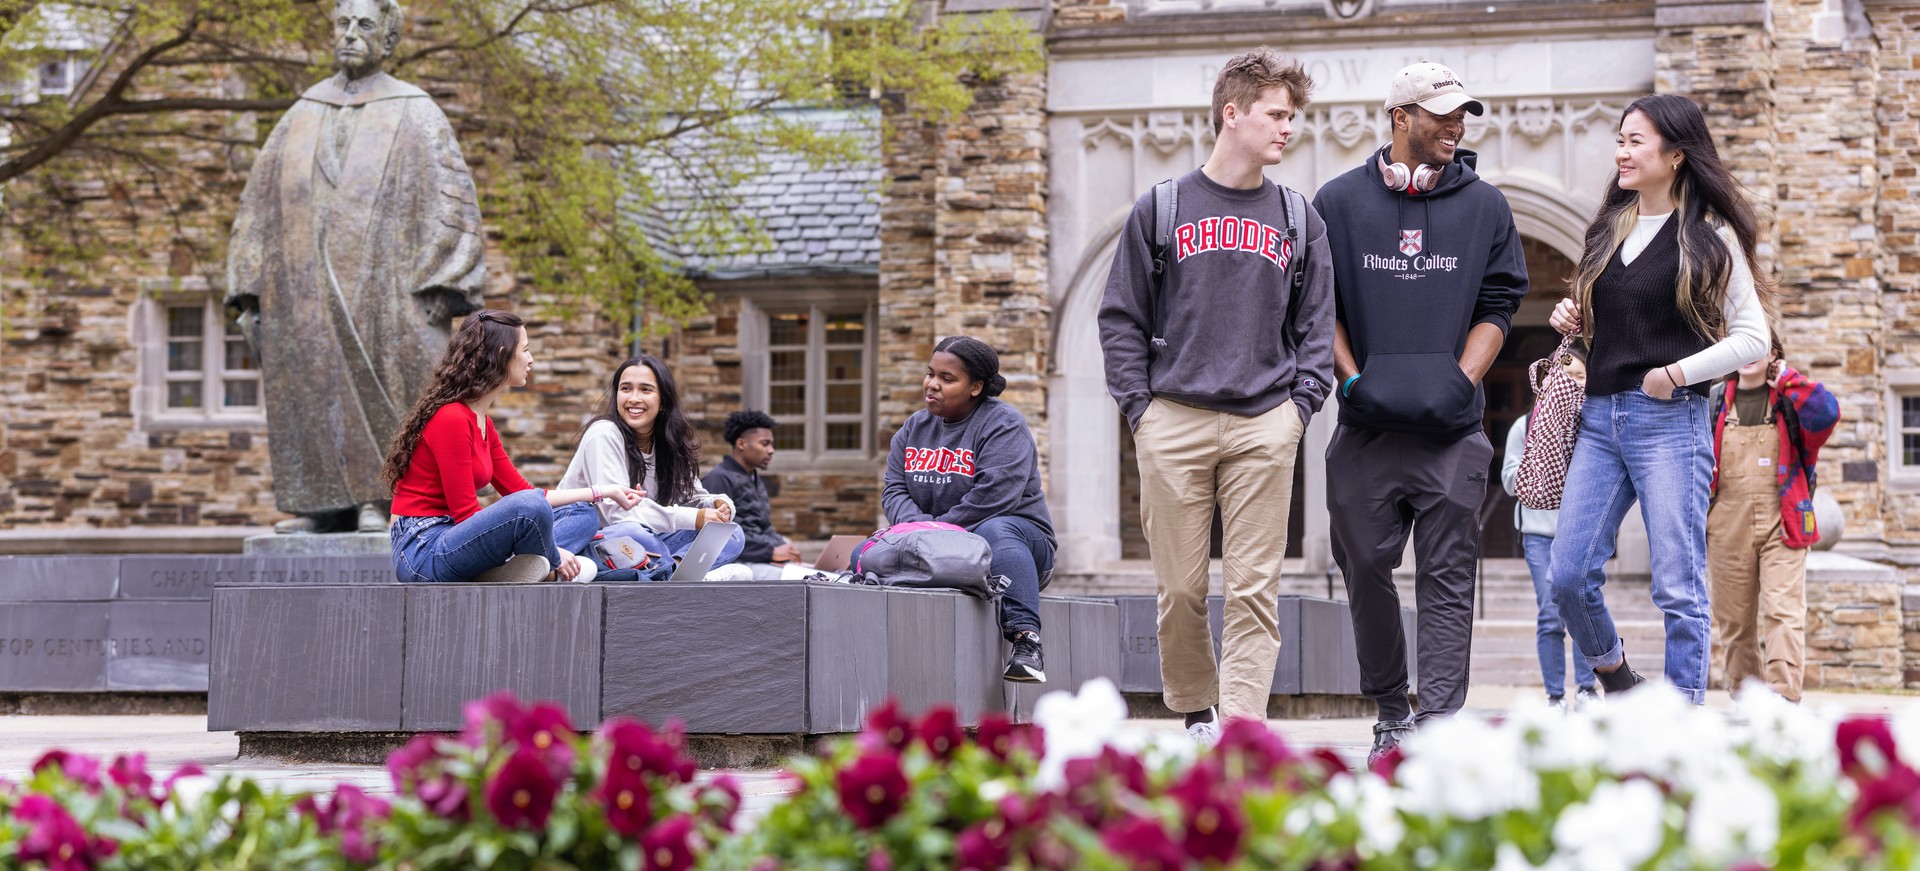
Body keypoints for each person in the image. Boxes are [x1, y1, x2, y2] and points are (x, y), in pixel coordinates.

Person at [1097, 49, 1335, 739]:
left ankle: (1240, 726)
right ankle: (1194, 705)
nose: (1288, 128)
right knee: (1180, 589)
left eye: (1293, 117)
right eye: (1277, 115)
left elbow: (1317, 323)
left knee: (1256, 590)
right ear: (1232, 113)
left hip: (1266, 421)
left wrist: (1300, 407)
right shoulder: (1164, 207)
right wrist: (1140, 409)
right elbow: (1121, 315)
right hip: (1174, 417)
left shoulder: (1298, 217)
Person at [1311, 62, 1527, 761]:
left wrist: (1462, 380)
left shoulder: (1486, 206)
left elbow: (1499, 305)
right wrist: (1350, 383)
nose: (1457, 126)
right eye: (1442, 114)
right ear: (1401, 118)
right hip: (1365, 432)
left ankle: (1438, 720)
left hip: (1451, 436)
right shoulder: (1336, 203)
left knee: (1447, 575)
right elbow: (1321, 310)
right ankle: (1390, 706)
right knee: (1365, 567)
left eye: (1464, 114)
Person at [228, 0, 487, 535]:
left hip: (387, 288)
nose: (349, 34)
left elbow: (452, 196)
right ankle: (322, 503)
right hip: (302, 287)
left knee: (399, 387)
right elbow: (256, 207)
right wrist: (249, 290)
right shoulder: (300, 113)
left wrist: (446, 279)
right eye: (342, 24)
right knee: (311, 384)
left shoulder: (415, 111)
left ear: (389, 41)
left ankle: (385, 498)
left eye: (364, 25)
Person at [1548, 93, 1774, 705]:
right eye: (1619, 140)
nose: (1621, 152)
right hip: (1597, 420)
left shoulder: (1708, 241)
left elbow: (1754, 338)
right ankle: (1619, 680)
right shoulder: (1606, 231)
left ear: (1675, 154)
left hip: (1671, 424)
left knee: (1679, 587)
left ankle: (1683, 723)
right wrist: (1573, 312)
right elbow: (1608, 323)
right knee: (1567, 575)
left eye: (1635, 141)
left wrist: (1676, 373)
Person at [385, 311, 643, 583]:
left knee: (582, 513)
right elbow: (467, 514)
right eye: (526, 350)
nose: (531, 359)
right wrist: (554, 551)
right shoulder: (451, 418)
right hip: (423, 552)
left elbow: (522, 491)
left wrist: (603, 491)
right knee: (530, 508)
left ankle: (520, 569)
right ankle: (546, 567)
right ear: (502, 353)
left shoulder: (484, 423)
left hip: (455, 541)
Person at [885, 337, 1055, 683]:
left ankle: (1027, 643)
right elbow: (894, 490)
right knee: (869, 549)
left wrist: (935, 534)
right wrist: (923, 531)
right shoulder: (913, 428)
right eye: (930, 374)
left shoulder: (1003, 424)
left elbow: (995, 497)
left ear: (976, 387)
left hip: (1017, 545)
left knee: (994, 531)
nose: (932, 384)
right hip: (940, 542)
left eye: (947, 379)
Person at [1707, 332, 1838, 702]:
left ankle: (1782, 698)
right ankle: (1748, 700)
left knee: (1783, 612)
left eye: (1758, 345)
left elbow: (1827, 412)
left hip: (1784, 520)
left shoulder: (1791, 403)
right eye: (1740, 344)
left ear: (1774, 354)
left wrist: (1788, 379)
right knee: (1735, 622)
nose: (1748, 354)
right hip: (1725, 523)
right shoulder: (1713, 402)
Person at [559, 356, 745, 576]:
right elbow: (617, 514)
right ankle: (675, 577)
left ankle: (673, 573)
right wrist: (695, 518)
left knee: (730, 533)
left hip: (647, 542)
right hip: (597, 539)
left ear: (663, 401)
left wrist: (718, 505)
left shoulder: (669, 442)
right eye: (625, 389)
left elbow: (692, 498)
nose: (633, 398)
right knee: (634, 533)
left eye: (646, 390)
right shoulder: (604, 434)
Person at [1501, 343, 1599, 710]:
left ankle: (1588, 688)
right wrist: (1540, 462)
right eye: (1565, 376)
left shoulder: (1592, 426)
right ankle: (1555, 695)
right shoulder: (1523, 426)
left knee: (1584, 607)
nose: (1572, 384)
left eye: (1580, 377)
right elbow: (1511, 480)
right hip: (1539, 534)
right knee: (1550, 613)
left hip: (1580, 530)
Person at [703, 410, 804, 580]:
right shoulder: (718, 478)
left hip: (760, 559)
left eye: (772, 444)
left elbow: (763, 527)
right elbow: (718, 535)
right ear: (741, 444)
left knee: (817, 574)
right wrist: (770, 551)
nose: (771, 450)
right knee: (803, 580)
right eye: (765, 444)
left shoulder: (754, 479)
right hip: (737, 563)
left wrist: (784, 548)